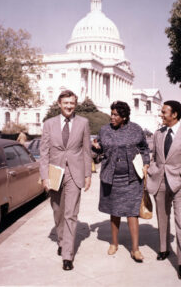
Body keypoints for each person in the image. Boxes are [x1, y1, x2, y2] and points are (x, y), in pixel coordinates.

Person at [147, 100, 181, 280]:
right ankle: (164, 249)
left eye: (164, 112)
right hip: (160, 182)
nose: (161, 115)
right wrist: (153, 171)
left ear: (174, 114)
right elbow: (154, 156)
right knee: (162, 218)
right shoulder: (158, 133)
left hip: (180, 184)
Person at [39, 90, 92, 271]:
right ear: (59, 104)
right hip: (54, 171)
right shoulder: (48, 124)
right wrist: (44, 176)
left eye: (72, 103)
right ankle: (62, 240)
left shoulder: (83, 123)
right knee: (58, 211)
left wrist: (87, 175)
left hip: (74, 173)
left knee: (71, 213)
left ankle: (67, 255)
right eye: (66, 103)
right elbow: (44, 152)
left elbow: (86, 150)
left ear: (75, 104)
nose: (69, 106)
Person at [92, 101, 150, 262]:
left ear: (124, 117)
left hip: (132, 178)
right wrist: (96, 148)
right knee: (114, 211)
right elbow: (99, 148)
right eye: (111, 114)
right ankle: (114, 243)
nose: (112, 117)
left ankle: (135, 249)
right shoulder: (104, 130)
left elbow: (145, 148)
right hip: (112, 178)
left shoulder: (136, 129)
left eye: (115, 115)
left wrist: (146, 163)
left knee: (132, 212)